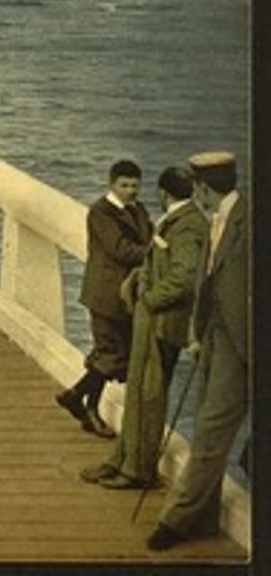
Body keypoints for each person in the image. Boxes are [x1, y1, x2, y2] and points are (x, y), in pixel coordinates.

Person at [79, 165, 206, 489]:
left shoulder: (187, 225)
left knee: (148, 398)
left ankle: (137, 471)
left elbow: (183, 278)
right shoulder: (176, 220)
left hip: (161, 322)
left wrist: (148, 299)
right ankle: (121, 460)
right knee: (136, 393)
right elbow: (154, 259)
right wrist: (137, 280)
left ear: (163, 193)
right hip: (147, 319)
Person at [148, 151, 249, 551]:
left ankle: (176, 519)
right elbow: (208, 284)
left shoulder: (250, 220)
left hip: (240, 345)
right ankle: (203, 519)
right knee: (210, 428)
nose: (196, 195)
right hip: (214, 340)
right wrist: (197, 334)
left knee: (209, 433)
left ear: (206, 187)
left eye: (197, 188)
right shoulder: (217, 220)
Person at [56, 159, 151, 436]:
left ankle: (84, 405)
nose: (131, 191)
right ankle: (79, 399)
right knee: (112, 355)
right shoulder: (101, 212)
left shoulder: (138, 210)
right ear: (112, 184)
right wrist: (157, 253)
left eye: (135, 185)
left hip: (125, 296)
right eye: (124, 185)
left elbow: (150, 237)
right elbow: (120, 250)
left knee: (106, 353)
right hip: (106, 294)